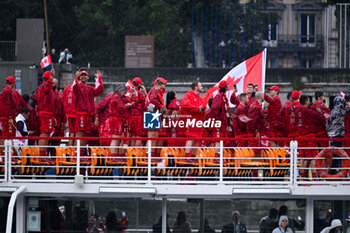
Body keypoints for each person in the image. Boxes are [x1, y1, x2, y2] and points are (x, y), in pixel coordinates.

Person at [73, 70, 104, 158]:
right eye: (81, 75)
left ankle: (81, 154)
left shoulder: (90, 89)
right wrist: (75, 77)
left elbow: (99, 91)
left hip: (89, 115)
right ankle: (77, 154)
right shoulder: (78, 86)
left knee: (86, 134)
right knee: (80, 133)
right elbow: (75, 89)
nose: (83, 77)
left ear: (87, 77)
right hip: (81, 114)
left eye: (85, 75)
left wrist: (99, 79)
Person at [298, 95, 324, 179]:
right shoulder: (308, 111)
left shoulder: (296, 111)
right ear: (306, 101)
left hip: (300, 137)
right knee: (313, 158)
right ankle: (314, 178)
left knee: (302, 158)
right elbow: (321, 118)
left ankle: (303, 179)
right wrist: (319, 111)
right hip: (309, 137)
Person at [180, 81, 206, 163]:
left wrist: (202, 110)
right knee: (190, 139)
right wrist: (198, 108)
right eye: (200, 86)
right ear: (196, 87)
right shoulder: (188, 95)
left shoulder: (200, 98)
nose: (202, 87)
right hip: (191, 121)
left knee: (196, 140)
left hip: (198, 122)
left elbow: (202, 108)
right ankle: (187, 157)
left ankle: (193, 157)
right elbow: (185, 105)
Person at [207, 80, 231, 162]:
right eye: (227, 85)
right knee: (218, 139)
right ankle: (217, 158)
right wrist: (217, 121)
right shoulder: (219, 96)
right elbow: (215, 109)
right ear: (225, 87)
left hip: (223, 123)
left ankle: (219, 156)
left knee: (222, 140)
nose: (228, 86)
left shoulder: (223, 96)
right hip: (219, 123)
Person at [35, 70, 55, 162]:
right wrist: (51, 78)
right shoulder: (45, 87)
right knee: (45, 133)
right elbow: (47, 89)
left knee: (45, 133)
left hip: (43, 113)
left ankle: (42, 154)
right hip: (45, 114)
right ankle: (42, 155)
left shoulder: (40, 87)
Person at [108, 85, 132, 162]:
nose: (125, 94)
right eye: (125, 92)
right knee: (116, 138)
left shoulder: (120, 97)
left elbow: (127, 102)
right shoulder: (116, 97)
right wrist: (128, 105)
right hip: (116, 119)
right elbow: (121, 107)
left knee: (119, 138)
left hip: (119, 119)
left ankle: (117, 155)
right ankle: (114, 156)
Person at [146, 78, 167, 160]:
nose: (161, 90)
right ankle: (148, 156)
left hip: (153, 114)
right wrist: (160, 106)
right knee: (151, 137)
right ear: (157, 85)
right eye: (161, 88)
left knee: (154, 136)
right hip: (151, 115)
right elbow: (152, 100)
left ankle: (151, 155)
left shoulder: (154, 91)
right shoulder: (154, 91)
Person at [128, 77, 147, 147]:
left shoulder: (129, 92)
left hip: (131, 115)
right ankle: (136, 154)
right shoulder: (138, 93)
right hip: (138, 115)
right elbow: (145, 102)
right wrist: (145, 93)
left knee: (133, 135)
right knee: (139, 135)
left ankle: (132, 152)